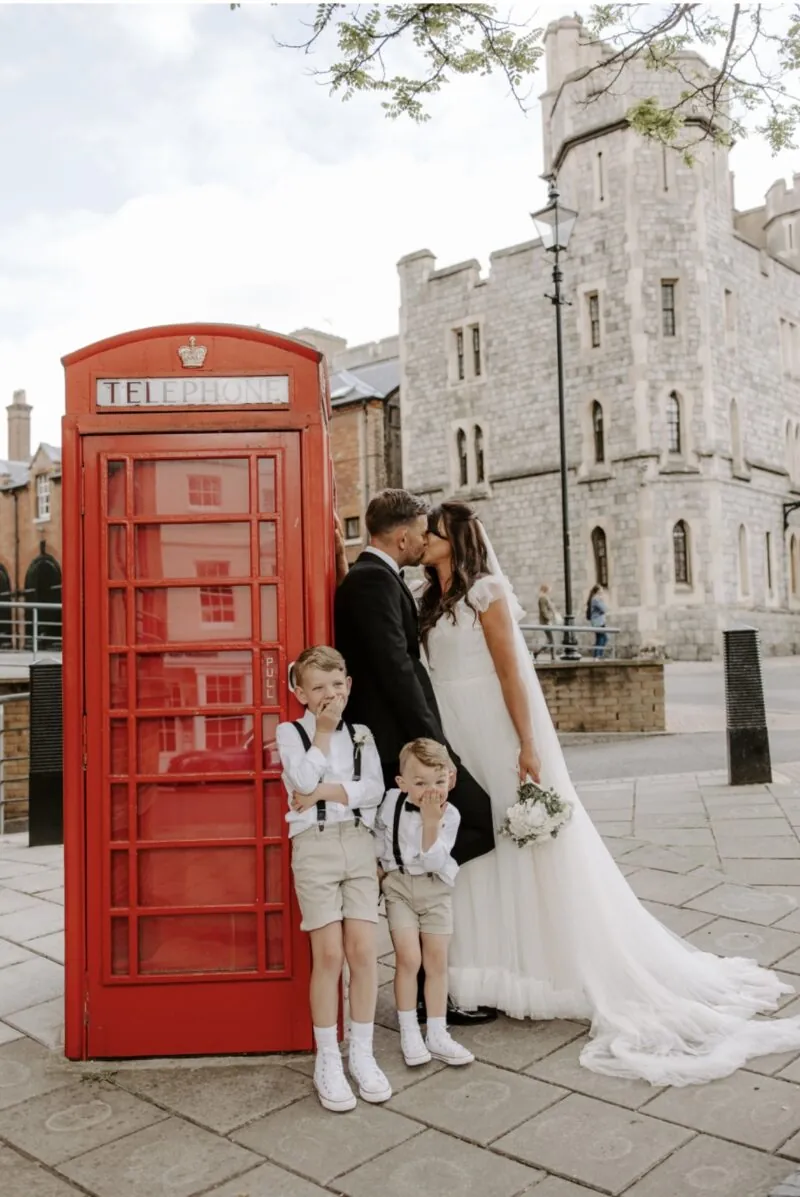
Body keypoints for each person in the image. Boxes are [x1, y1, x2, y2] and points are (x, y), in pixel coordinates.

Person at [416, 499, 800, 1086]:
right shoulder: (427, 599)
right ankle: (484, 965)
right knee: (470, 847)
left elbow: (511, 672)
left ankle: (537, 965)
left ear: (456, 540)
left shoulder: (485, 594)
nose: (424, 538)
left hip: (490, 726)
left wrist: (527, 743)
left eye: (434, 532)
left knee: (514, 843)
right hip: (453, 730)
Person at [334, 488, 496, 1026]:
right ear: (402, 536)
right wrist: (434, 749)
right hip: (398, 749)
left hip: (399, 744)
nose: (424, 541)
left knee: (438, 840)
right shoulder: (373, 582)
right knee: (479, 822)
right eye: (421, 532)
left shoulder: (375, 579)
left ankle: (432, 989)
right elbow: (396, 671)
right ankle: (404, 884)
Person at [276, 645, 390, 1113]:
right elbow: (300, 782)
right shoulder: (290, 733)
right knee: (328, 955)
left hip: (359, 845)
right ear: (300, 693)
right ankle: (328, 1058)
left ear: (349, 686)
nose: (329, 694)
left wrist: (325, 791)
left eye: (336, 685)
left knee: (363, 951)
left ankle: (362, 1053)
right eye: (318, 687)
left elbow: (375, 789)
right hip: (315, 846)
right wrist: (322, 734)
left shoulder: (362, 734)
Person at [375, 738, 474, 1068]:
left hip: (436, 890)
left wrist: (431, 822)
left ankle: (437, 1032)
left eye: (438, 782)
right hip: (399, 887)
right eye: (420, 783)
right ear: (401, 783)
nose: (431, 792)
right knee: (408, 958)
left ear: (450, 779)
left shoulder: (450, 815)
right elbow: (378, 837)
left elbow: (433, 861)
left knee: (436, 962)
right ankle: (409, 1031)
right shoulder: (391, 802)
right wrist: (378, 868)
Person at [533, 582, 560, 661]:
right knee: (551, 640)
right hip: (546, 622)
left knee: (550, 640)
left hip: (547, 621)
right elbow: (543, 610)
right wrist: (549, 618)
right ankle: (552, 656)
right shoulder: (543, 598)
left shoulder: (544, 598)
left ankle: (538, 653)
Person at [586, 584, 608, 660]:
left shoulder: (594, 598)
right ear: (598, 591)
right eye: (601, 590)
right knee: (602, 638)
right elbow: (604, 609)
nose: (602, 591)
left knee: (601, 638)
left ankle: (597, 656)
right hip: (599, 622)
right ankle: (598, 655)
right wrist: (603, 600)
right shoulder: (596, 599)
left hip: (597, 621)